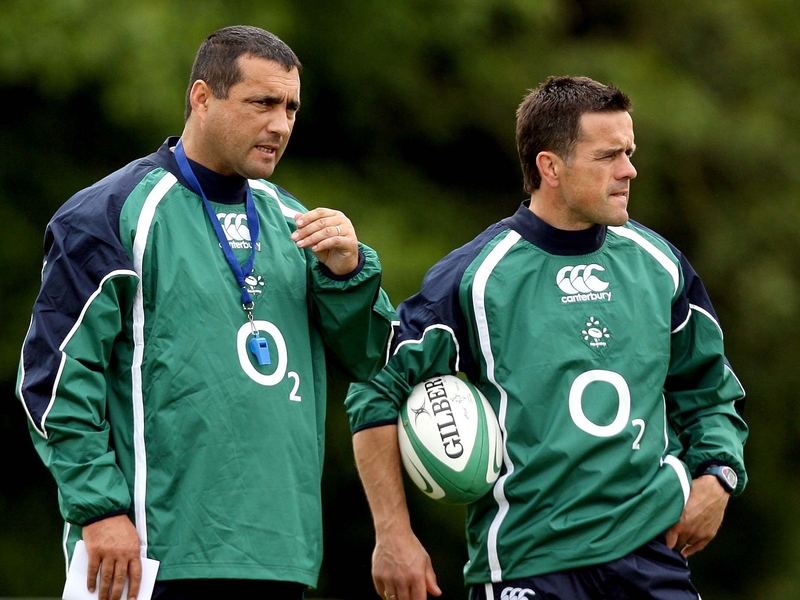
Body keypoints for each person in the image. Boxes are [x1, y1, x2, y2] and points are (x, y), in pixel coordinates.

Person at [15, 25, 396, 600]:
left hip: (278, 555)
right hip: (145, 552)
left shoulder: (297, 224)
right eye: (262, 103)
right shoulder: (111, 214)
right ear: (201, 97)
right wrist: (99, 510)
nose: (281, 124)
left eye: (291, 107)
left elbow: (376, 360)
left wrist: (348, 275)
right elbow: (52, 377)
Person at [345, 75, 748, 600]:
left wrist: (717, 475)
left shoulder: (659, 263)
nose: (630, 170)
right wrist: (393, 534)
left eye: (629, 152)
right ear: (550, 167)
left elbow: (710, 389)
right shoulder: (477, 276)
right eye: (608, 156)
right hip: (527, 563)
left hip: (651, 555)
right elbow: (374, 386)